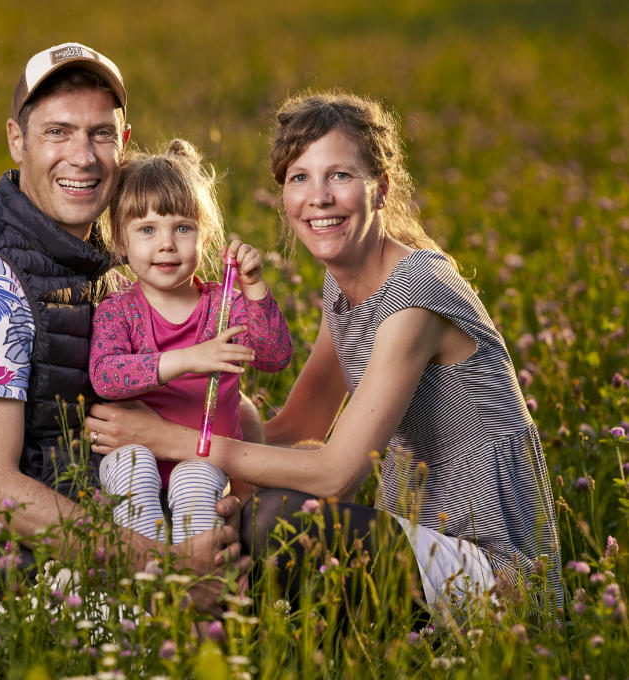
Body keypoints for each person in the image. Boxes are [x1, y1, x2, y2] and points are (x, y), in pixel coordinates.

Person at [85, 90, 563, 614]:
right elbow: (299, 427)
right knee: (244, 511)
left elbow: (337, 474)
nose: (319, 196)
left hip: (497, 571)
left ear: (379, 189)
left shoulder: (416, 297)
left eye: (340, 175)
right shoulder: (344, 291)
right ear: (284, 197)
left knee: (275, 521)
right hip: (420, 538)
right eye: (300, 178)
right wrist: (220, 439)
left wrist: (174, 440)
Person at [0, 42, 248, 609]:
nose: (82, 157)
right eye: (58, 132)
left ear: (124, 142)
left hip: (112, 533)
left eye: (100, 134)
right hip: (9, 578)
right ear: (17, 140)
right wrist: (168, 568)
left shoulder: (107, 258)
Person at [89, 139, 292, 545]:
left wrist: (254, 290)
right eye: (147, 229)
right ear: (120, 241)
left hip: (201, 458)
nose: (166, 243)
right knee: (133, 473)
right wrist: (188, 359)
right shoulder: (118, 309)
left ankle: (193, 586)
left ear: (205, 235)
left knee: (196, 492)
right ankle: (146, 583)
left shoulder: (223, 306)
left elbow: (274, 356)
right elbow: (106, 376)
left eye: (182, 228)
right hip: (130, 451)